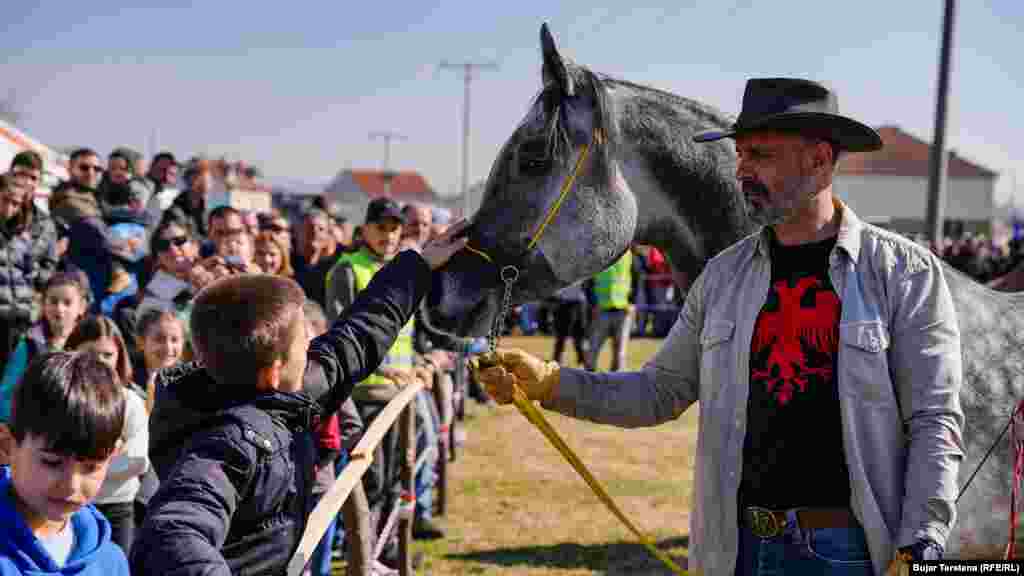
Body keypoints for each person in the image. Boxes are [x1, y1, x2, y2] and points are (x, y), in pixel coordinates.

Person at [473, 78, 963, 575]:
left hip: (851, 552)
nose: (743, 170)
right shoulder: (723, 276)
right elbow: (658, 392)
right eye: (741, 155)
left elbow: (935, 421)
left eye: (761, 155)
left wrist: (922, 542)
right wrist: (552, 383)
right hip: (738, 548)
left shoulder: (904, 273)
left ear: (819, 159)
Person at [129, 218, 467, 575]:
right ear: (275, 371)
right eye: (304, 346)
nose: (313, 351)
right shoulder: (223, 446)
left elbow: (354, 340)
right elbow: (175, 531)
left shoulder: (284, 393)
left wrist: (418, 267)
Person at [324, 198, 445, 545]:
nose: (388, 235)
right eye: (381, 227)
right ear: (364, 230)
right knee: (368, 478)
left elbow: (413, 332)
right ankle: (361, 549)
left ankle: (385, 544)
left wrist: (421, 362)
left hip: (399, 394)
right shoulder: (347, 270)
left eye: (394, 228)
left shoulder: (406, 270)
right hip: (362, 395)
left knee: (395, 474)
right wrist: (386, 369)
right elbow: (339, 333)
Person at [0, 352, 131, 575]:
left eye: (91, 467)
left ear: (113, 456)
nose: (71, 485)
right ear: (7, 446)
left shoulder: (110, 562)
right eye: (52, 462)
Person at [65, 317, 149, 556]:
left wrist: (84, 461)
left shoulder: (130, 402)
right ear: (72, 352)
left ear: (119, 357)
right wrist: (109, 453)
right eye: (90, 353)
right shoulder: (64, 401)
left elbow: (137, 460)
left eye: (107, 355)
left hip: (118, 507)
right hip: (72, 504)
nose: (99, 362)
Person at [0, 269, 91, 423]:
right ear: (43, 304)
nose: (59, 309)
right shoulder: (30, 346)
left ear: (82, 306)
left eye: (67, 302)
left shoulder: (89, 346)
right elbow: (6, 395)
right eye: (53, 301)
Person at [585, 250, 633, 372]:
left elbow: (636, 277)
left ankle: (617, 381)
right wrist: (593, 304)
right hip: (602, 310)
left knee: (620, 353)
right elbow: (587, 282)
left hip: (623, 309)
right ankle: (588, 378)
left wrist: (633, 302)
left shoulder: (628, 255)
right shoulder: (597, 255)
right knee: (593, 349)